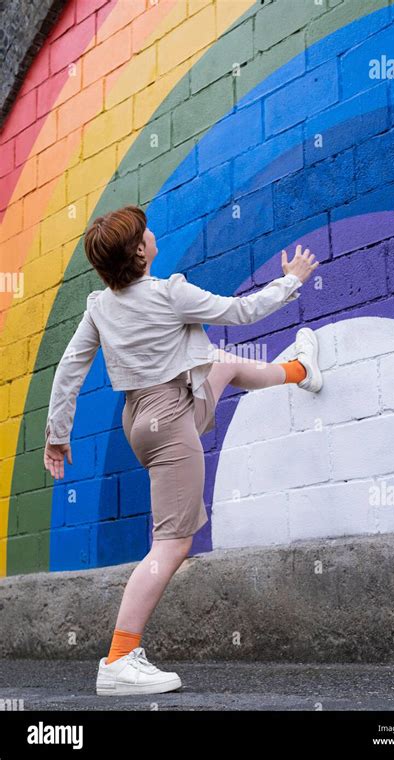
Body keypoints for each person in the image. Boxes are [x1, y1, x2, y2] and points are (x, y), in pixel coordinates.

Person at [43, 205, 323, 696]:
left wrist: (57, 433)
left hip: (143, 418)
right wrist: (291, 280)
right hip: (171, 419)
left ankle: (301, 371)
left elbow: (69, 370)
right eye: (143, 231)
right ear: (139, 251)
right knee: (171, 544)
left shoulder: (98, 306)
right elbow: (240, 312)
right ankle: (119, 658)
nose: (151, 233)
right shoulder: (171, 292)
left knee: (223, 364)